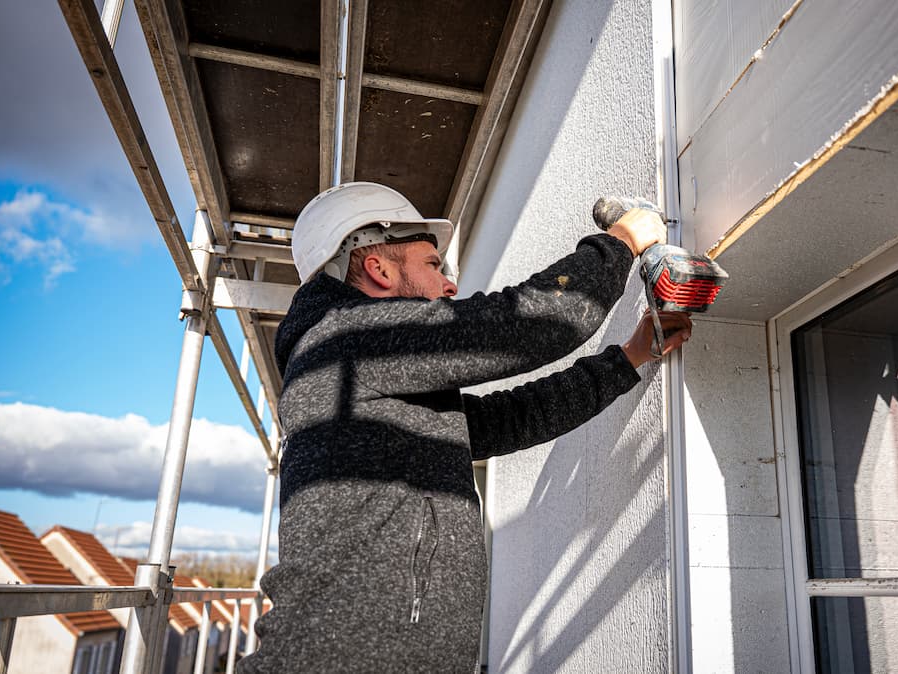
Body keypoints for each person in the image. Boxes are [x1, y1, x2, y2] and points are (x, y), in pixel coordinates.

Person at [239, 182, 692, 673]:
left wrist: (629, 357)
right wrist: (622, 241)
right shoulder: (345, 339)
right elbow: (527, 323)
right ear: (379, 268)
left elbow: (511, 417)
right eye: (434, 266)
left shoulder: (365, 377)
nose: (451, 286)